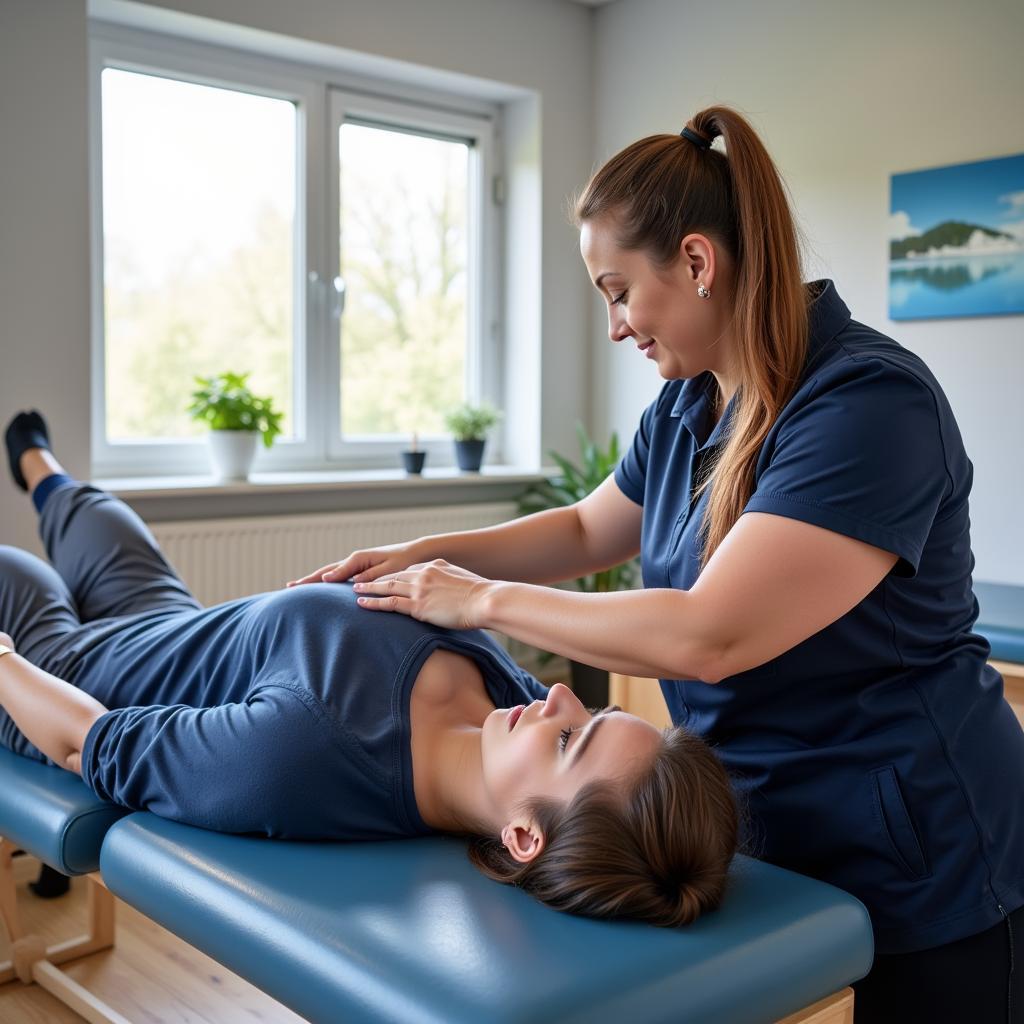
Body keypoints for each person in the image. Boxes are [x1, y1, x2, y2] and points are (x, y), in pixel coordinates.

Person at [289, 107, 1024, 1023]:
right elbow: (587, 531)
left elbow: (709, 634)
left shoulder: (867, 405)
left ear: (698, 262)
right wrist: (423, 555)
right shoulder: (690, 406)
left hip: (917, 841)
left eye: (617, 290)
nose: (615, 326)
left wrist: (477, 601)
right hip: (756, 824)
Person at [0, 413, 740, 929]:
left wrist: (4, 657)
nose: (554, 698)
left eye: (568, 742)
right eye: (594, 714)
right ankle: (38, 466)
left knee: (21, 572)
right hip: (180, 627)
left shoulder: (303, 755)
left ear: (523, 837)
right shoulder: (506, 706)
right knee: (95, 512)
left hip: (65, 672)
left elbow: (83, 740)